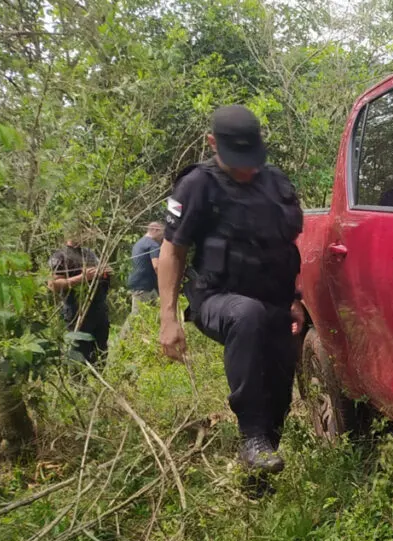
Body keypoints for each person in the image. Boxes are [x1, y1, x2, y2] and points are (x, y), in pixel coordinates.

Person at [157, 105, 304, 475]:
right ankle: (251, 435)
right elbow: (172, 250)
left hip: (274, 301)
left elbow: (285, 247)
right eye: (237, 159)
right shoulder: (196, 185)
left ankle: (260, 469)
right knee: (246, 313)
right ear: (212, 143)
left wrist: (296, 300)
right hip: (217, 298)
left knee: (279, 388)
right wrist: (167, 318)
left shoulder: (275, 182)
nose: (246, 168)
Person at [48, 224, 112, 364]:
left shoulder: (89, 253)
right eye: (82, 232)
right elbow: (53, 285)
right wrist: (81, 278)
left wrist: (104, 272)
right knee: (80, 350)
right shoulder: (60, 256)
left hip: (98, 307)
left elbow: (98, 273)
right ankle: (79, 381)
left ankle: (98, 377)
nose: (86, 235)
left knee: (101, 349)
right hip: (77, 310)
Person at [128, 222, 164, 310]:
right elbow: (156, 266)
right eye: (162, 233)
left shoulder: (139, 243)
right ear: (156, 230)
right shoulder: (153, 245)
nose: (162, 237)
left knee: (158, 310)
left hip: (143, 284)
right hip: (143, 286)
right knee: (136, 316)